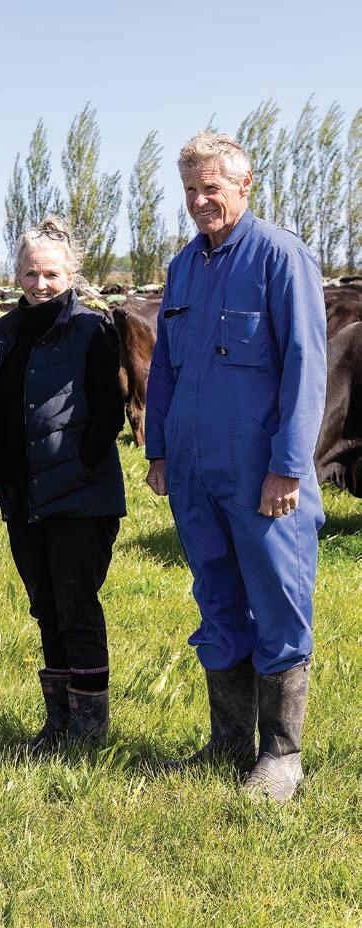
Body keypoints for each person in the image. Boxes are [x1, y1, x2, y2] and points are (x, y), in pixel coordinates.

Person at [145, 132, 327, 802]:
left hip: (262, 476)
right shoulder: (182, 267)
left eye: (211, 188)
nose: (199, 201)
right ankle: (227, 743)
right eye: (190, 189)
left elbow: (307, 367)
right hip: (195, 472)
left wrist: (288, 466)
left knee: (277, 602)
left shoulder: (281, 256)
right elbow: (165, 367)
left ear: (244, 186)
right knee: (217, 600)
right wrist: (159, 450)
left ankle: (281, 754)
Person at [0, 218, 126, 749]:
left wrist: (79, 466)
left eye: (50, 274)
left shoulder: (92, 329)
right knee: (45, 606)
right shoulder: (6, 332)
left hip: (79, 495)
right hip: (24, 496)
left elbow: (109, 411)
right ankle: (59, 723)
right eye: (30, 273)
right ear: (16, 274)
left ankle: (88, 731)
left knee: (76, 607)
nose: (39, 284)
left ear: (70, 274)